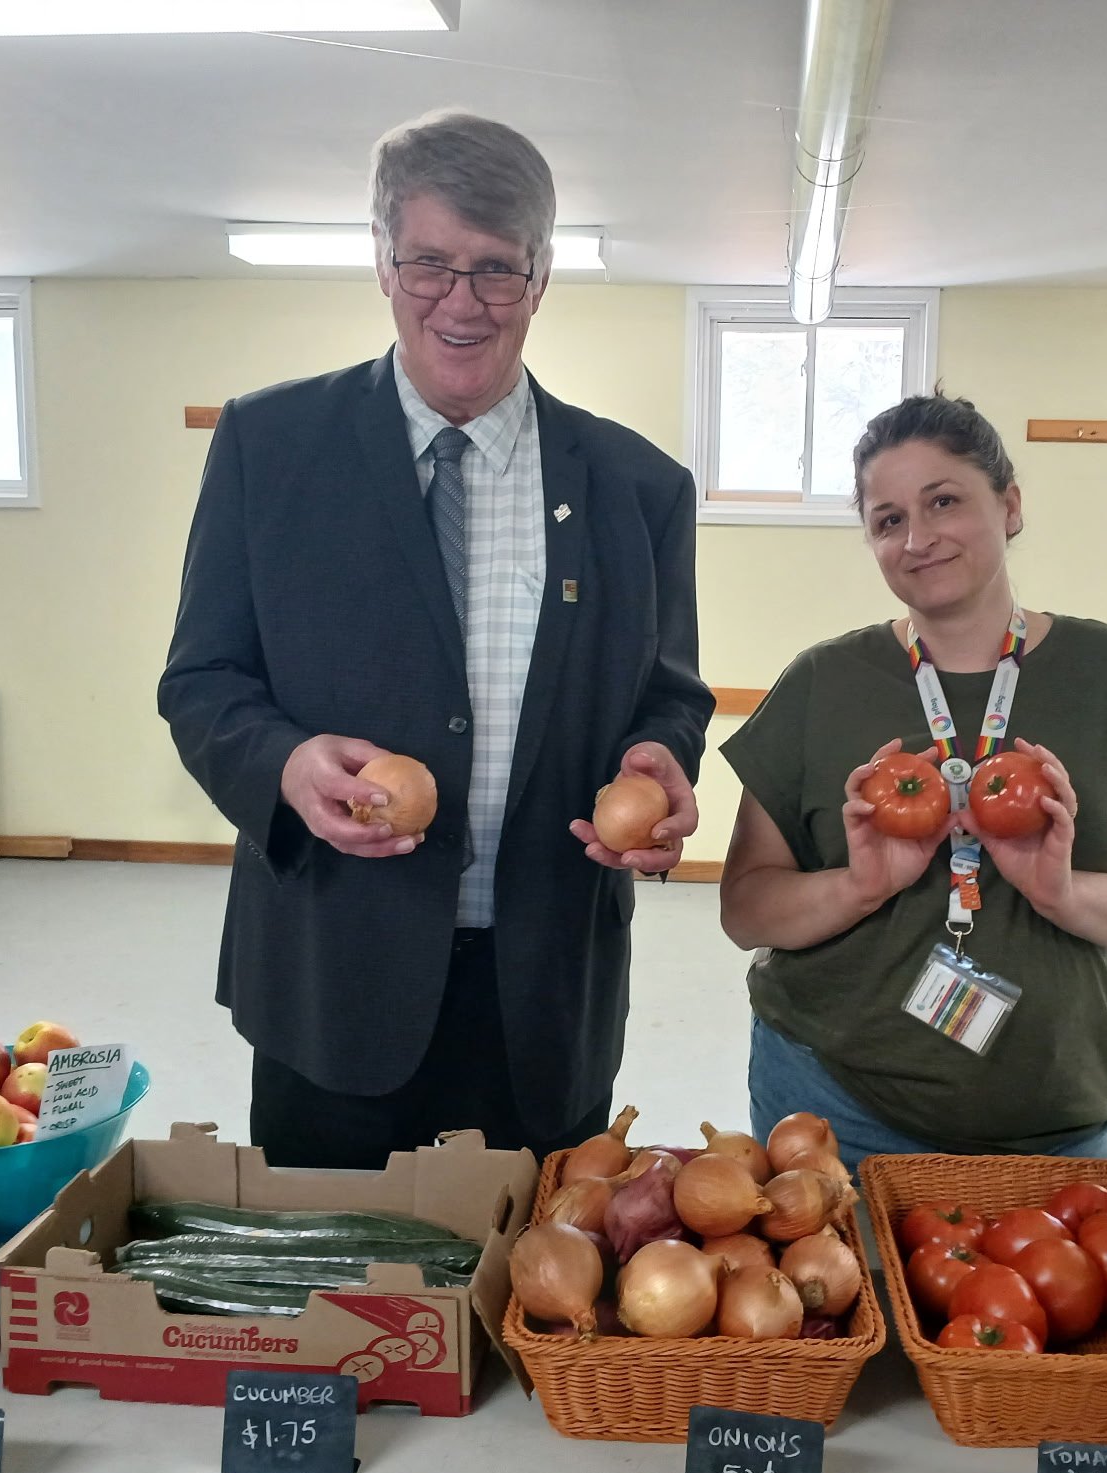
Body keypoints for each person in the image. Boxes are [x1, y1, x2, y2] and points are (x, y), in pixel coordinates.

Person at [160, 111, 713, 1170]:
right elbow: (202, 678)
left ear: (540, 278)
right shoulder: (268, 449)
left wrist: (661, 758)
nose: (460, 302)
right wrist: (283, 764)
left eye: (496, 270)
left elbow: (668, 692)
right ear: (381, 261)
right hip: (332, 979)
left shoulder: (637, 488)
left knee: (529, 1306)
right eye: (429, 264)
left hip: (545, 991)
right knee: (329, 1301)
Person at [718, 393, 1107, 1170]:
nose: (917, 539)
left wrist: (1063, 893)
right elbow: (747, 909)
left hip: (1051, 1116)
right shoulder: (823, 683)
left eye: (943, 501)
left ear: (1010, 506)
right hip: (832, 1104)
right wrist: (859, 886)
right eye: (887, 521)